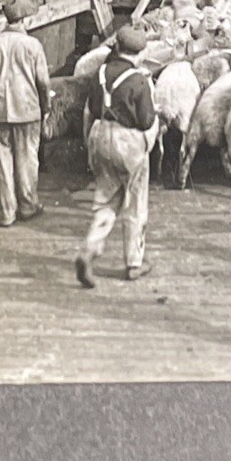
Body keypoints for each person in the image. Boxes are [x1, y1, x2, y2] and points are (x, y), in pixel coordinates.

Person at [75, 25, 159, 287]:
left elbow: (90, 109)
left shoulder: (99, 72)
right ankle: (134, 263)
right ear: (140, 52)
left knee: (107, 198)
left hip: (100, 136)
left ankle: (90, 247)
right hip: (128, 142)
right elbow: (145, 121)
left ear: (117, 47)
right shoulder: (139, 80)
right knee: (134, 202)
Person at [0, 0, 50, 227]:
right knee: (27, 159)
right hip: (27, 110)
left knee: (3, 163)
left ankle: (6, 212)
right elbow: (43, 83)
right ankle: (28, 205)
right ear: (25, 20)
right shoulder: (33, 45)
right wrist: (46, 109)